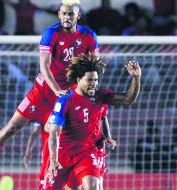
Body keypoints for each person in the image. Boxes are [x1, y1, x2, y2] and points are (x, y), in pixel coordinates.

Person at [0, 0, 100, 185]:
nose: (66, 17)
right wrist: (56, 90)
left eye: (71, 14)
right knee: (12, 127)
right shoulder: (51, 33)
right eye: (63, 13)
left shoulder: (89, 36)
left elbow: (93, 67)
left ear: (78, 16)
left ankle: (57, 179)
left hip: (67, 97)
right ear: (59, 15)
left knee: (63, 140)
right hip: (43, 93)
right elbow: (44, 66)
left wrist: (86, 92)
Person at [45, 55, 141, 189]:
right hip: (63, 155)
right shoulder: (66, 100)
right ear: (78, 80)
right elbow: (54, 133)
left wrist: (136, 78)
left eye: (96, 80)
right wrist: (54, 160)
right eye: (89, 80)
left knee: (94, 187)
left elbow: (127, 99)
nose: (94, 83)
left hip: (86, 153)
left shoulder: (100, 97)